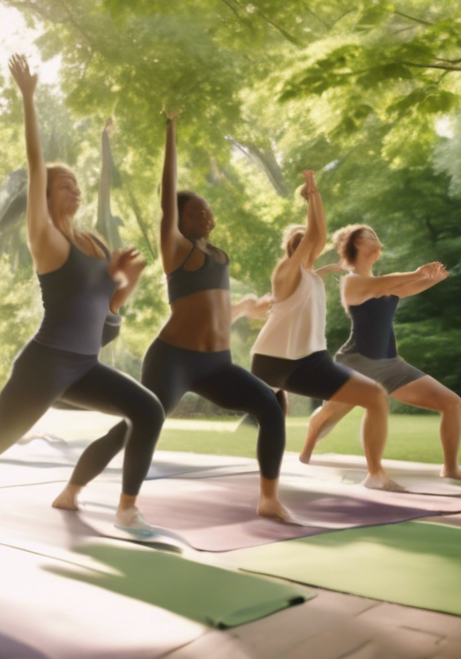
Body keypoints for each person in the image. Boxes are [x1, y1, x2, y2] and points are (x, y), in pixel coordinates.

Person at [0, 57, 162, 531]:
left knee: (147, 409)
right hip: (45, 364)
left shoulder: (95, 243)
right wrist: (28, 99)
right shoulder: (46, 238)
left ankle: (126, 509)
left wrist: (125, 278)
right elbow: (37, 164)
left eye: (78, 185)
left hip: (84, 365)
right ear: (45, 197)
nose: (75, 191)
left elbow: (108, 312)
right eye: (66, 185)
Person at [66, 107, 296, 523]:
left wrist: (247, 308)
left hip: (217, 364)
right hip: (174, 359)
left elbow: (216, 307)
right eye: (195, 212)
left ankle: (268, 499)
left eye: (207, 211)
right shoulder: (176, 247)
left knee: (268, 404)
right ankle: (100, 498)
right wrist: (171, 131)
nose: (205, 216)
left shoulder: (216, 253)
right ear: (179, 218)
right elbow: (166, 192)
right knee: (136, 426)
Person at [249, 173, 403, 490]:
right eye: (303, 242)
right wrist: (313, 193)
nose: (313, 245)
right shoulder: (284, 272)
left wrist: (328, 267)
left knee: (375, 396)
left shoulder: (310, 276)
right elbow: (316, 235)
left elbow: (314, 250)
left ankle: (375, 474)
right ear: (294, 249)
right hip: (272, 362)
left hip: (309, 361)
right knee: (269, 419)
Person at [301, 224, 461, 480]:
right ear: (354, 245)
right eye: (369, 236)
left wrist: (430, 279)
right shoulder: (351, 283)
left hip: (391, 365)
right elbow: (384, 284)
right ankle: (308, 446)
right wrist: (417, 272)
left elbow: (404, 287)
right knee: (329, 415)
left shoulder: (385, 285)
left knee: (453, 403)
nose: (375, 240)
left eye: (376, 236)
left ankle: (451, 467)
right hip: (355, 364)